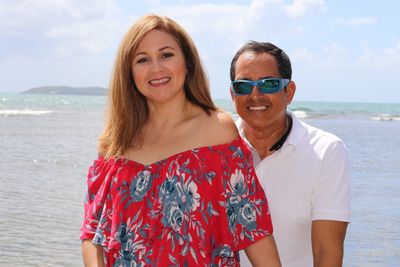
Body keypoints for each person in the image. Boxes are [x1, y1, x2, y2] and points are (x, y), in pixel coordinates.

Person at [80, 15, 281, 267]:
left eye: (166, 55)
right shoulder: (113, 144)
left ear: (187, 63)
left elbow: (253, 228)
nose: (156, 69)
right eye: (142, 59)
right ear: (129, 73)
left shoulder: (217, 131)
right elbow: (92, 232)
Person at [229, 41, 351, 267]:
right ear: (232, 94)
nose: (256, 95)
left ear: (289, 92)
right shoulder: (216, 148)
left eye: (269, 84)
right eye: (244, 86)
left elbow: (327, 252)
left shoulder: (326, 151)